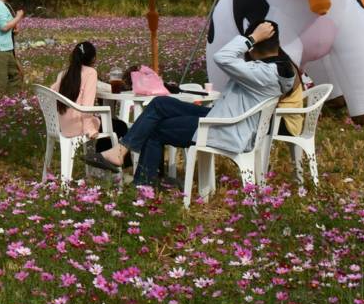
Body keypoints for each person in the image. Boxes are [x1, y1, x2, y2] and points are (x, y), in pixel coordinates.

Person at [88, 20, 297, 186]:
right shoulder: (274, 69)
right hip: (223, 117)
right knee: (161, 104)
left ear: (252, 49)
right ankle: (123, 152)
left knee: (153, 128)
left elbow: (222, 57)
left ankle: (144, 185)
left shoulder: (264, 73)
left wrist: (251, 38)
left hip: (226, 128)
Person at [51, 41, 128, 157]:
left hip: (63, 126)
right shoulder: (90, 73)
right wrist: (89, 129)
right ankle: (105, 159)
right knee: (120, 126)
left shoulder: (64, 74)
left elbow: (52, 92)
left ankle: (103, 159)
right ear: (93, 59)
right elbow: (87, 105)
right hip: (79, 125)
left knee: (108, 124)